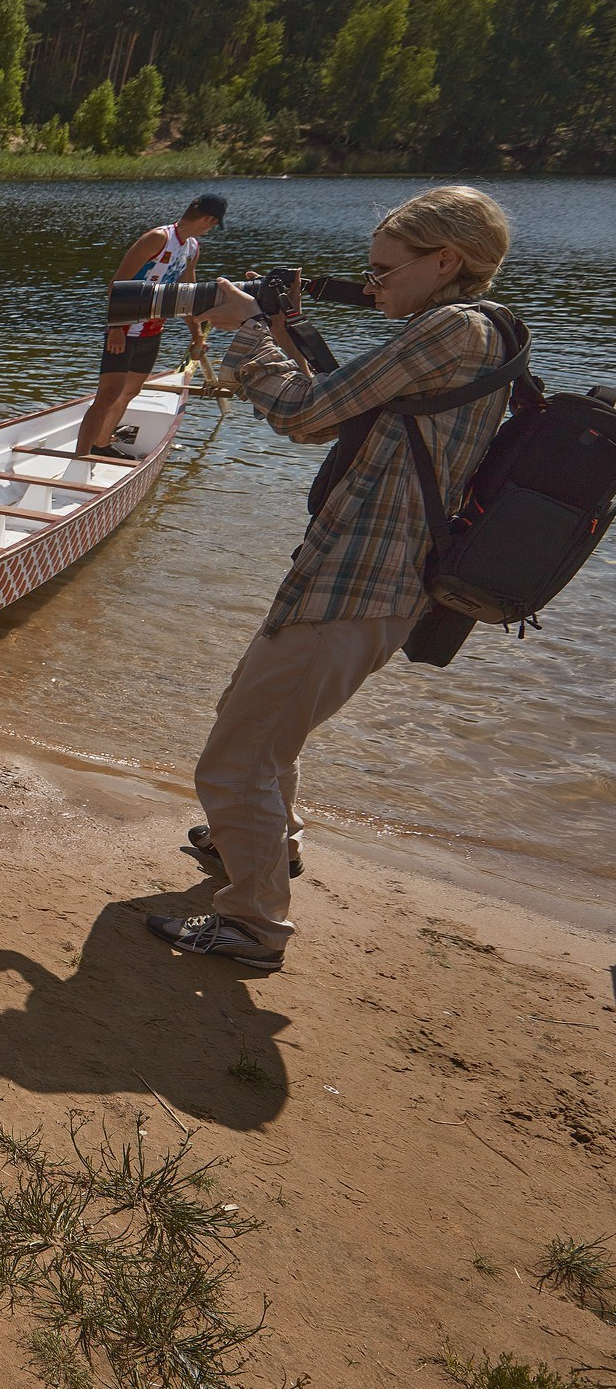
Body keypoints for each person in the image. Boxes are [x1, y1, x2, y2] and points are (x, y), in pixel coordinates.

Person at [149, 187, 521, 974]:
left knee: (232, 758)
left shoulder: (450, 328)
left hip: (360, 580)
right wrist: (279, 326)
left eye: (383, 269)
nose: (372, 282)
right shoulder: (479, 330)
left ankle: (251, 926)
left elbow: (307, 414)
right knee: (258, 722)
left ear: (445, 260)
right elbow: (354, 406)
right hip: (363, 577)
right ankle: (260, 848)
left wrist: (244, 328)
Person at [77, 194, 226, 455]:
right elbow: (118, 284)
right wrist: (116, 329)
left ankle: (101, 445)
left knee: (130, 392)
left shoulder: (192, 248)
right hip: (124, 330)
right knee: (108, 395)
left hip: (153, 330)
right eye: (213, 224)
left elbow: (186, 295)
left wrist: (197, 335)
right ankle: (80, 456)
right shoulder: (157, 239)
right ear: (208, 219)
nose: (210, 229)